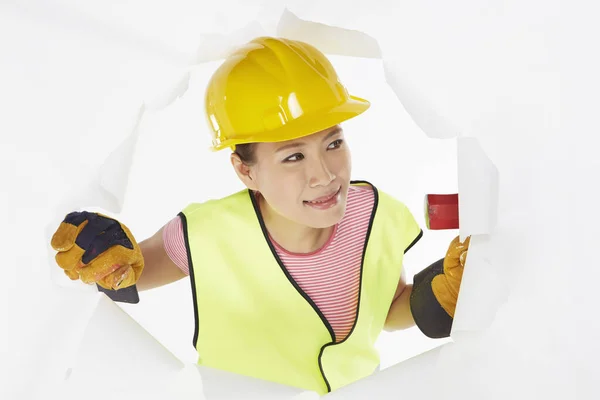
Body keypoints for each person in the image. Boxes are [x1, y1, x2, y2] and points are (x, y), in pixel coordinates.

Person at [50, 36, 470, 395]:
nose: (324, 175)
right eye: (293, 157)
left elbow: (387, 309)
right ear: (246, 170)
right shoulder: (206, 233)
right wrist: (101, 251)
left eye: (333, 143)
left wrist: (439, 294)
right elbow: (125, 274)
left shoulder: (376, 214)